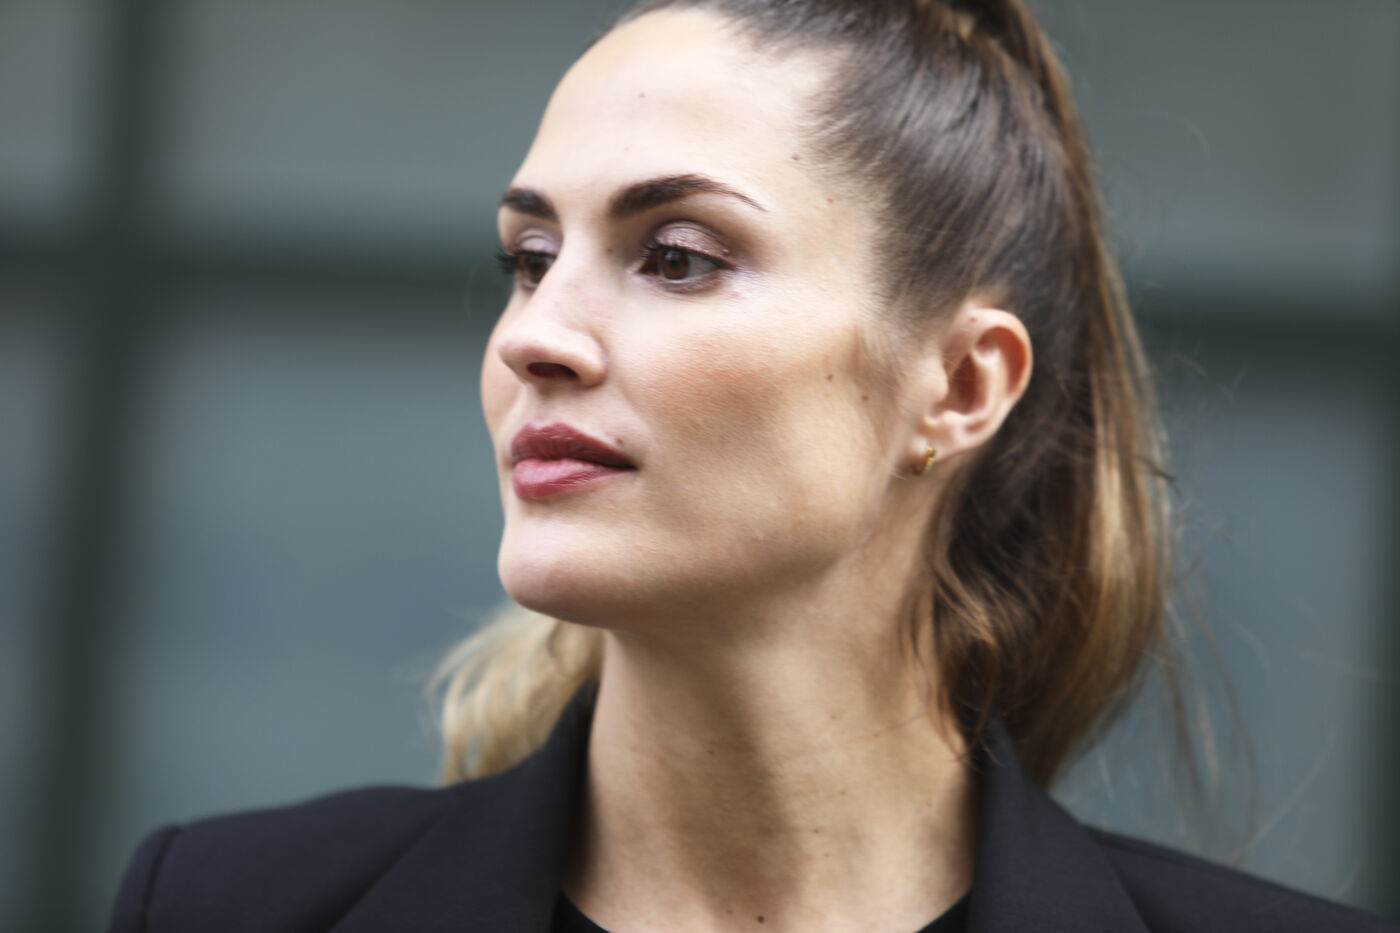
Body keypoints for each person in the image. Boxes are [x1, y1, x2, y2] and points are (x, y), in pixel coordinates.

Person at [107, 1, 1396, 931]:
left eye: (677, 257)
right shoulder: (228, 906)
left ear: (960, 386)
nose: (533, 336)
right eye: (530, 258)